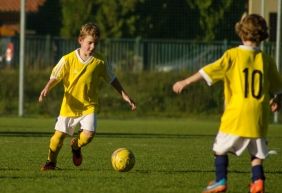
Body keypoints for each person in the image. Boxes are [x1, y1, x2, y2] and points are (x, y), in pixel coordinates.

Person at [172, 14, 282, 193]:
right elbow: (279, 88)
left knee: (220, 149)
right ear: (263, 36)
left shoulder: (232, 55)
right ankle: (258, 181)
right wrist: (277, 100)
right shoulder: (267, 60)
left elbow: (207, 71)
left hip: (236, 113)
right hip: (259, 114)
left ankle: (220, 179)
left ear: (241, 33)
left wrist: (185, 82)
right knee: (257, 152)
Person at [39, 23, 136, 171]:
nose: (92, 47)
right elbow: (55, 76)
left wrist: (125, 95)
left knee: (88, 135)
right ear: (80, 40)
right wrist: (47, 87)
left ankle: (76, 146)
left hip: (89, 106)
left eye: (95, 44)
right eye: (89, 43)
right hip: (69, 106)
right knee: (57, 138)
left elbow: (112, 79)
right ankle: (50, 162)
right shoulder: (68, 59)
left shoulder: (100, 62)